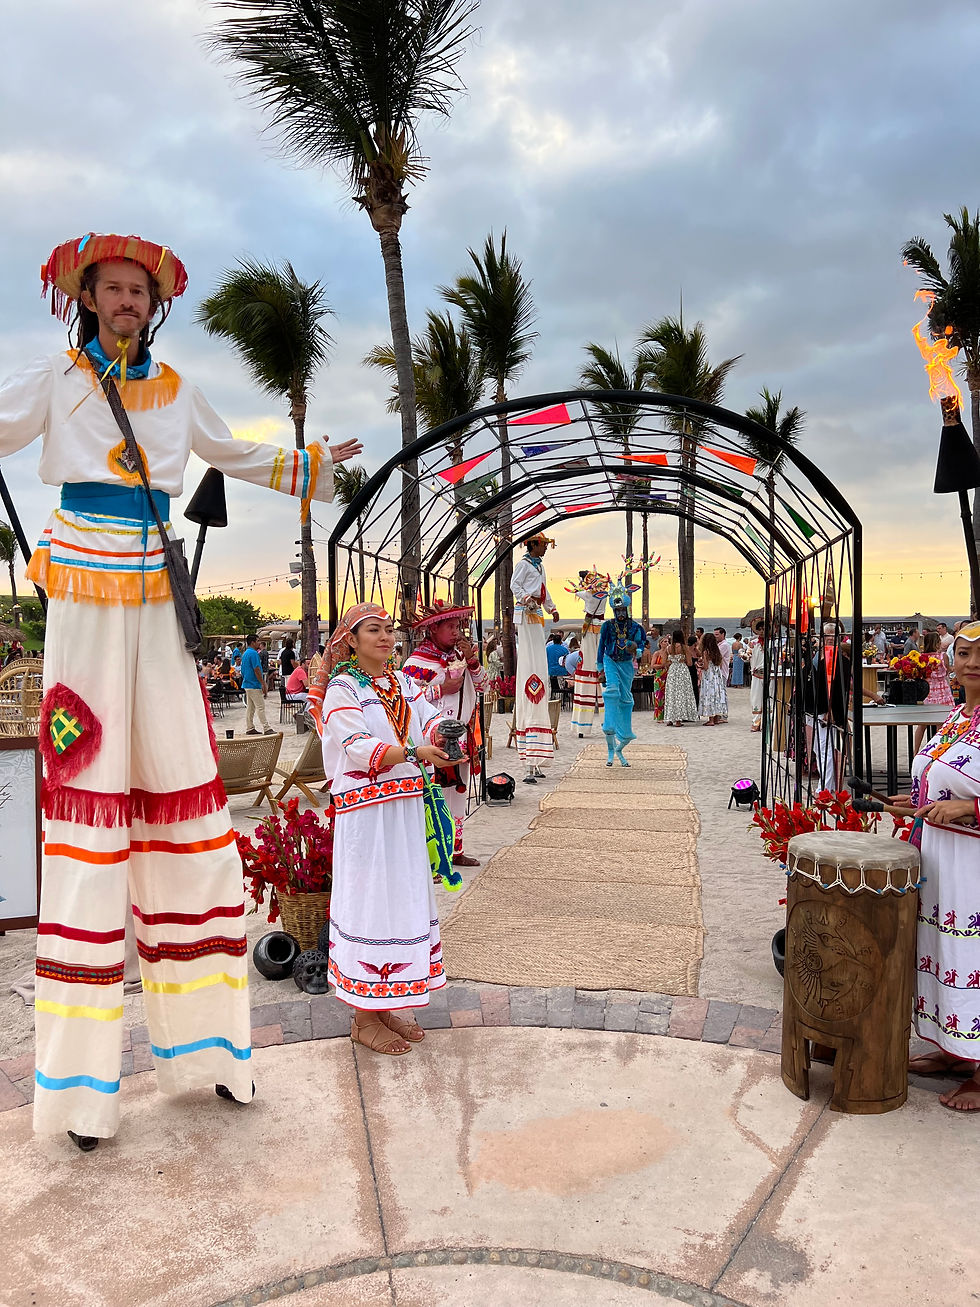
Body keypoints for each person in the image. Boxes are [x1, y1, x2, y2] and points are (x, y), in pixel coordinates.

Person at [0, 231, 362, 1148]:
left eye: (137, 292)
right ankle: (82, 1094)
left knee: (189, 806)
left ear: (153, 305)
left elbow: (231, 452)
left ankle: (211, 1053)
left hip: (159, 595)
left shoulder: (176, 391)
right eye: (111, 289)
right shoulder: (55, 378)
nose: (124, 302)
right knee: (85, 819)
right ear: (87, 297)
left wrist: (311, 464)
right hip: (81, 588)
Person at [319, 603, 457, 1056]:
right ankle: (362, 1018)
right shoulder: (342, 689)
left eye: (388, 630)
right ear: (352, 640)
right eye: (372, 631)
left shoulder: (398, 683)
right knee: (371, 900)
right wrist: (416, 753)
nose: (384, 637)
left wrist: (443, 734)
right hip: (366, 818)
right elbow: (358, 747)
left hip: (401, 812)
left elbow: (426, 715)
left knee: (399, 898)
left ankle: (384, 1004)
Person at [902, 622, 980, 1111]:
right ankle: (955, 1051)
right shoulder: (958, 716)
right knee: (941, 953)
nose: (972, 663)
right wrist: (913, 801)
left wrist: (971, 810)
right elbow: (937, 776)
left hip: (972, 866)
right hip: (941, 859)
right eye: (965, 653)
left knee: (974, 960)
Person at [401, 598, 490, 867]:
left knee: (458, 794)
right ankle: (430, 856)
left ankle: (454, 851)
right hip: (431, 741)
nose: (456, 632)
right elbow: (404, 701)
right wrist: (442, 689)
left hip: (462, 738)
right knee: (432, 795)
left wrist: (473, 662)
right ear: (433, 630)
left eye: (458, 626)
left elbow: (484, 687)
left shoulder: (461, 658)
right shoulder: (416, 663)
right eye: (450, 627)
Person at [510, 532, 560, 783]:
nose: (546, 549)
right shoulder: (523, 564)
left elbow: (545, 591)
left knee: (538, 665)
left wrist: (552, 607)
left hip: (536, 614)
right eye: (543, 545)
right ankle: (529, 760)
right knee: (530, 663)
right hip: (526, 614)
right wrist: (527, 599)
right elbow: (514, 586)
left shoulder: (539, 567)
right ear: (533, 545)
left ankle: (537, 759)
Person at [597, 577, 646, 766]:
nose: (619, 613)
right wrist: (599, 666)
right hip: (610, 661)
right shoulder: (607, 626)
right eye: (616, 610)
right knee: (612, 691)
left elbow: (640, 645)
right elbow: (602, 647)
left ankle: (619, 745)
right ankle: (608, 726)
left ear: (626, 608)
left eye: (621, 609)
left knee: (626, 700)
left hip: (626, 665)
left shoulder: (635, 627)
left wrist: (634, 648)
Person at [568, 568, 607, 738]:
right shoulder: (604, 594)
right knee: (601, 663)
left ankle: (582, 726)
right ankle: (608, 723)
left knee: (587, 668)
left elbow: (577, 591)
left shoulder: (588, 594)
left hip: (589, 630)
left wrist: (580, 584)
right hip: (601, 626)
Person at [913, 629, 954, 754]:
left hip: (927, 690)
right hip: (942, 690)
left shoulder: (922, 657)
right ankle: (938, 751)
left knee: (922, 725)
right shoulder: (943, 656)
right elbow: (948, 670)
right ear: (937, 643)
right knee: (940, 724)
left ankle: (915, 751)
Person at [241, 633, 275, 736]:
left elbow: (243, 670)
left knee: (250, 708)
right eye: (258, 641)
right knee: (260, 706)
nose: (259, 643)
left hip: (247, 683)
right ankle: (266, 727)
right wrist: (263, 683)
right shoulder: (254, 653)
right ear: (253, 642)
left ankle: (250, 727)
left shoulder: (246, 653)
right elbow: (256, 669)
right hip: (254, 684)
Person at [663, 629, 699, 727]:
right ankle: (679, 720)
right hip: (682, 671)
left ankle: (670, 719)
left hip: (672, 670)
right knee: (681, 694)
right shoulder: (684, 648)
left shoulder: (668, 648)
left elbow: (664, 662)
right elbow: (690, 662)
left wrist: (672, 662)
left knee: (671, 693)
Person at [699, 632, 729, 725]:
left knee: (709, 694)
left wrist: (699, 666)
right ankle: (716, 718)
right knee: (717, 695)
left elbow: (706, 666)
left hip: (709, 675)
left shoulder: (706, 652)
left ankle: (711, 719)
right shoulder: (717, 652)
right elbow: (719, 664)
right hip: (717, 675)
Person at [749, 620, 766, 731]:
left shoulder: (775, 642)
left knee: (770, 699)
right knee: (756, 698)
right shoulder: (754, 643)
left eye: (763, 629)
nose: (761, 631)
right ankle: (756, 721)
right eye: (759, 629)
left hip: (771, 674)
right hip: (757, 674)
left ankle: (768, 723)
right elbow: (748, 653)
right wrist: (745, 655)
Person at [650, 635, 670, 720]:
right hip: (659, 675)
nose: (667, 643)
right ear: (660, 643)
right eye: (665, 641)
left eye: (667, 641)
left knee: (667, 695)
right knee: (659, 695)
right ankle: (659, 716)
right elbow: (652, 665)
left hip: (668, 675)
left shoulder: (669, 653)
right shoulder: (657, 653)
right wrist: (662, 665)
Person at [546, 629, 570, 698]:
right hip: (561, 671)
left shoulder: (547, 649)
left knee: (551, 688)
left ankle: (551, 700)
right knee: (560, 689)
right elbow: (567, 660)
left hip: (550, 671)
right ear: (561, 641)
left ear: (553, 641)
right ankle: (560, 702)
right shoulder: (564, 649)